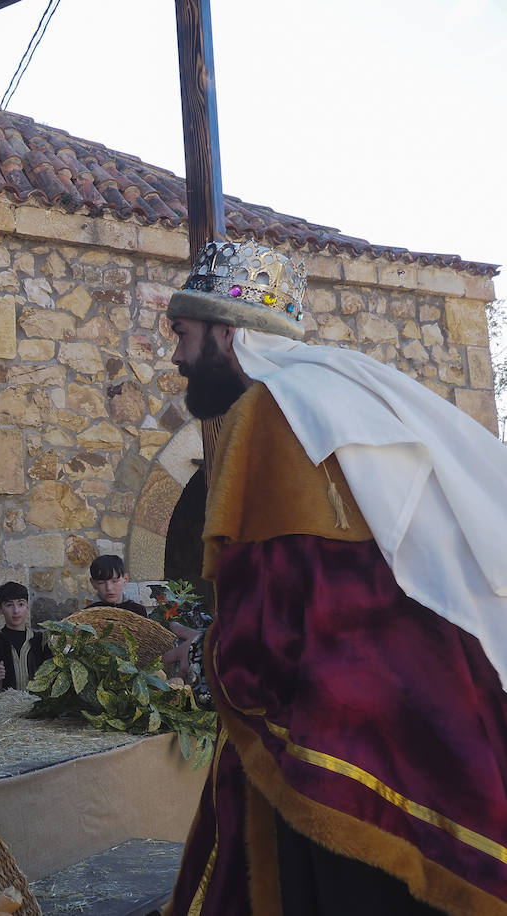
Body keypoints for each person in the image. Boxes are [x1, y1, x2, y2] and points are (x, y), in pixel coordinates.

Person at [162, 240, 507, 914]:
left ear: (226, 335)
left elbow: (288, 609)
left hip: (347, 734)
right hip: (430, 719)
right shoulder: (337, 395)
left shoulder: (264, 413)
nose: (174, 355)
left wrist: (205, 659)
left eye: (182, 332)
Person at [0, 582, 47, 694]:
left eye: (21, 604)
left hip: (39, 709)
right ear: (0, 609)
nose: (16, 611)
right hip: (5, 709)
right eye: (9, 605)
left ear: (27, 607)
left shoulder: (41, 642)